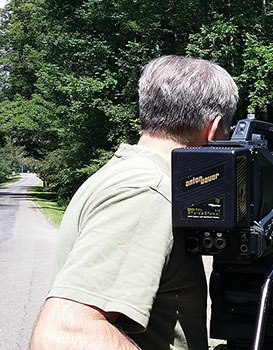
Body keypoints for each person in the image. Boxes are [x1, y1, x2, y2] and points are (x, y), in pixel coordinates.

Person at [30, 55, 239, 350]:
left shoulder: (127, 173)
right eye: (229, 129)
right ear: (214, 128)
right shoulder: (147, 192)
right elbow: (67, 334)